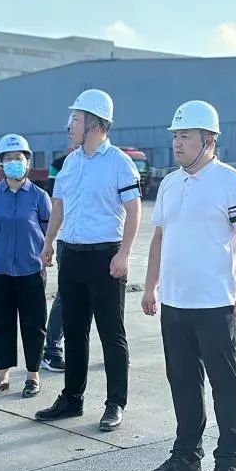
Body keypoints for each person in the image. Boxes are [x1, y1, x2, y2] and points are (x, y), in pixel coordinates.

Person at [142, 101, 236, 471]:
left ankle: (227, 461)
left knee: (225, 385)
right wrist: (150, 286)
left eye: (185, 136)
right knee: (183, 382)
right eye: (175, 136)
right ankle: (186, 456)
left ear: (209, 140)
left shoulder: (230, 182)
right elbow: (159, 238)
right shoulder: (170, 183)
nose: (177, 143)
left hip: (216, 304)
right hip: (175, 303)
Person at [34, 89, 142, 432]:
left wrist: (124, 253)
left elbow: (134, 210)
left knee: (111, 333)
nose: (70, 126)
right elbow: (59, 206)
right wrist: (49, 242)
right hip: (72, 255)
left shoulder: (119, 163)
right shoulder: (70, 163)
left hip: (106, 257)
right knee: (74, 331)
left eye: (76, 119)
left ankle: (115, 403)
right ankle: (72, 399)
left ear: (94, 123)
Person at [0, 133, 52, 399]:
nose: (14, 163)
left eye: (18, 158)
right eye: (8, 159)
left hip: (30, 270)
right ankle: (2, 375)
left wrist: (36, 249)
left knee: (34, 325)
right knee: (1, 324)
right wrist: (1, 245)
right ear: (1, 163)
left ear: (27, 162)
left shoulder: (39, 196)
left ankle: (33, 375)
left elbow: (47, 228)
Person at [40, 151, 69, 373]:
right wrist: (49, 240)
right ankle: (52, 350)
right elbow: (55, 200)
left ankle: (114, 350)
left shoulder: (112, 162)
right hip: (69, 241)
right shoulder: (60, 164)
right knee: (65, 296)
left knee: (104, 299)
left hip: (103, 243)